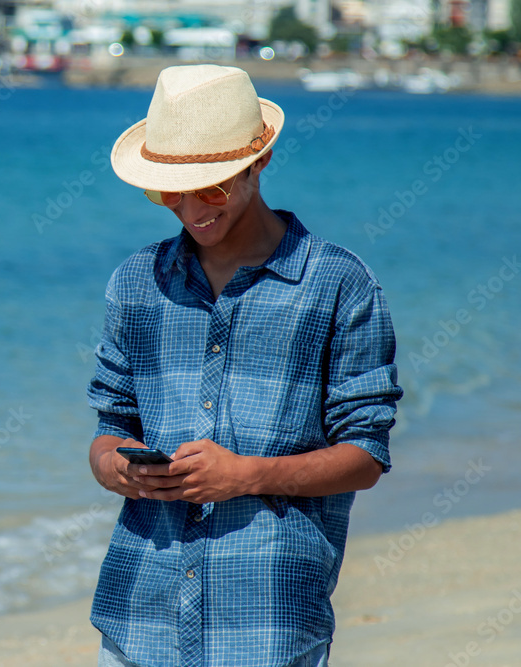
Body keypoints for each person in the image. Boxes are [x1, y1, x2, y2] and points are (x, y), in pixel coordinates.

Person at [86, 65, 403, 667]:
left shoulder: (339, 284)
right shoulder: (134, 283)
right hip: (136, 619)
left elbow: (365, 457)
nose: (188, 208)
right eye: (168, 190)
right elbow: (110, 427)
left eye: (210, 186)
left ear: (260, 161)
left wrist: (246, 476)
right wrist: (117, 469)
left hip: (268, 625)